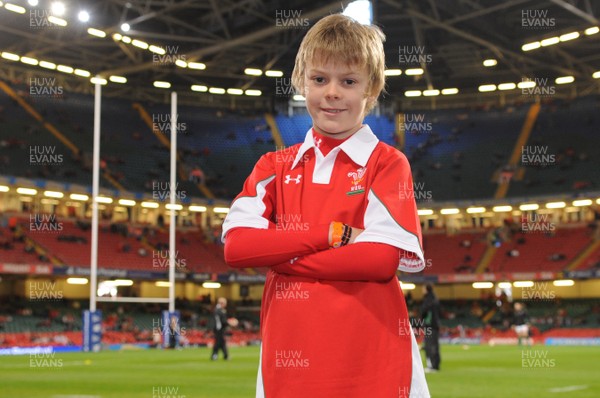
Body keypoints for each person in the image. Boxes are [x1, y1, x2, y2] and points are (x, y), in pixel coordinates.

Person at [222, 14, 429, 397]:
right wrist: (330, 234)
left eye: (348, 81)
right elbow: (236, 248)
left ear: (371, 89)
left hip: (375, 360)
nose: (332, 92)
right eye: (320, 79)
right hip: (289, 358)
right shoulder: (273, 166)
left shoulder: (387, 163)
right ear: (302, 82)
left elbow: (379, 260)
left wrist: (279, 254)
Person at [421, 284, 441, 373]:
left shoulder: (428, 300)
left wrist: (421, 318)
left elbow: (424, 311)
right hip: (435, 325)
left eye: (423, 288)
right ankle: (435, 365)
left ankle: (431, 366)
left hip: (429, 326)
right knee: (435, 345)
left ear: (426, 289)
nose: (422, 290)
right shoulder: (435, 299)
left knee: (429, 346)